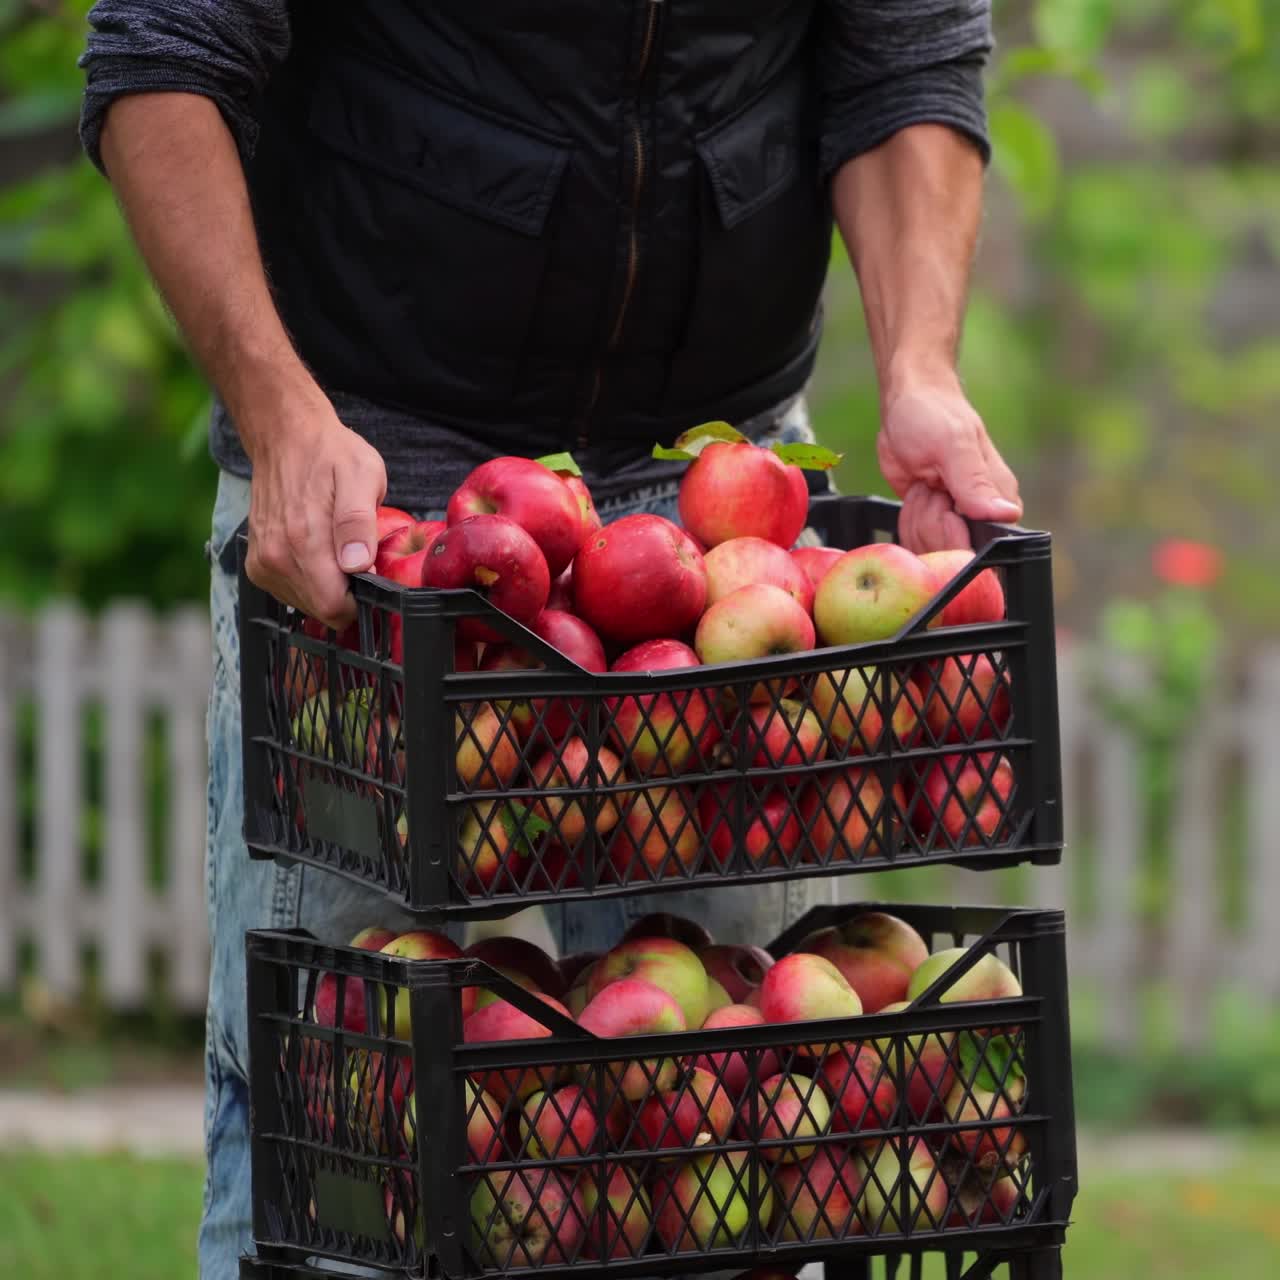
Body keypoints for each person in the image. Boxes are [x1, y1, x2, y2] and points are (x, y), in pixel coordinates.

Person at [78, 2, 1022, 1274]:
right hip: (377, 492)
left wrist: (920, 365)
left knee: (730, 1139)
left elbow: (899, 51)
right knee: (350, 1149)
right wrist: (279, 412)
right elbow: (165, 49)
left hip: (713, 496)